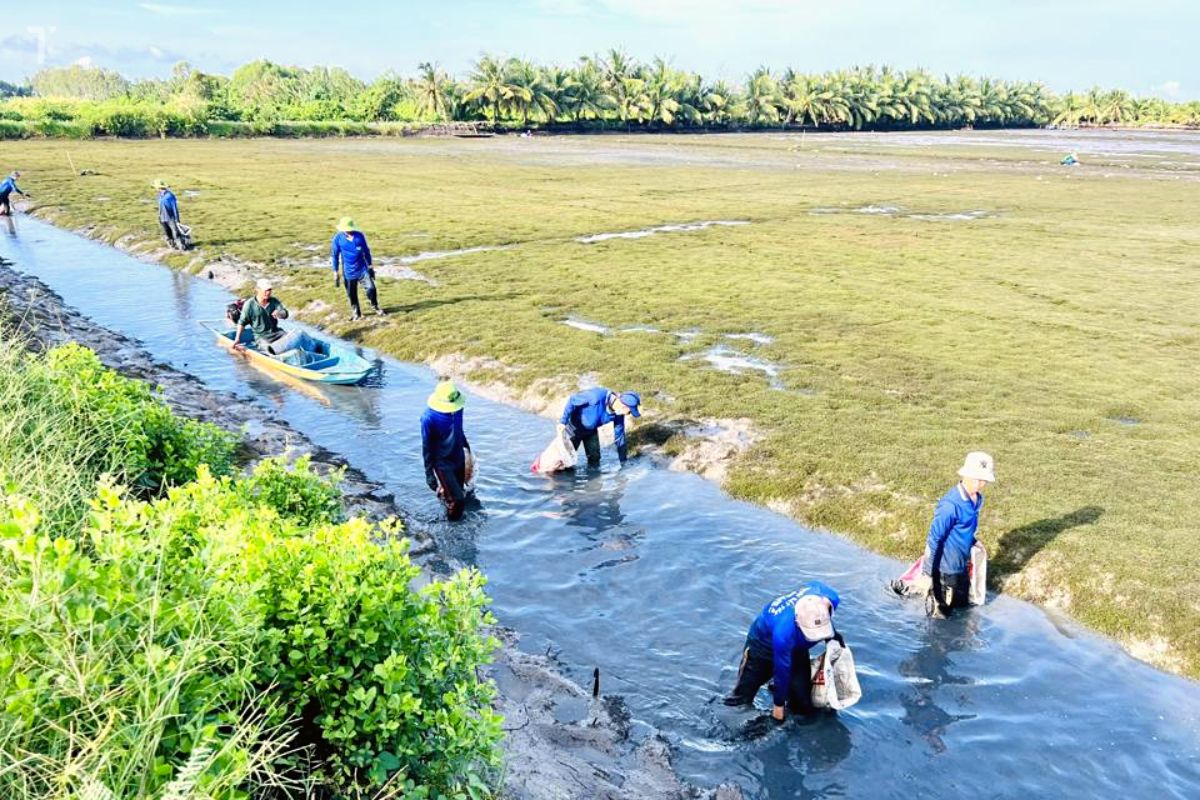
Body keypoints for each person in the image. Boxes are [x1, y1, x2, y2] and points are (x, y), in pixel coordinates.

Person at [724, 581, 845, 721]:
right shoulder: (783, 632)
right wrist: (778, 708)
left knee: (803, 705)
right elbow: (782, 671)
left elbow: (819, 607)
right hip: (762, 646)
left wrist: (833, 638)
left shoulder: (830, 598)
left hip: (798, 648)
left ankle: (781, 691)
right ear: (798, 623)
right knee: (740, 700)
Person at [920, 451, 995, 614]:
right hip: (944, 571)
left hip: (960, 566)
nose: (980, 483)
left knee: (963, 608)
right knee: (941, 616)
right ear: (965, 475)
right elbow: (934, 538)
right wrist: (928, 574)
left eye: (984, 480)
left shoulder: (977, 499)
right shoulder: (950, 505)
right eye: (976, 478)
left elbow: (964, 526)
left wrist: (974, 541)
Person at [422, 380, 473, 521]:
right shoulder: (428, 418)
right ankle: (452, 527)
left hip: (458, 458)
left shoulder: (458, 410)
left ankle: (445, 494)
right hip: (443, 464)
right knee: (459, 500)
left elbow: (459, 430)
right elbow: (427, 447)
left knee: (460, 491)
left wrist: (467, 448)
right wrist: (429, 474)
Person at [557, 388, 641, 468]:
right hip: (573, 428)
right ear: (624, 406)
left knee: (595, 459)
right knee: (565, 461)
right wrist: (563, 422)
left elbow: (620, 438)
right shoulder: (595, 396)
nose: (628, 414)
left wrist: (623, 462)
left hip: (591, 431)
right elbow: (572, 400)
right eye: (629, 412)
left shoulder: (618, 414)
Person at [232, 278, 313, 355]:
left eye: (270, 290)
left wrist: (280, 314)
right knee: (270, 351)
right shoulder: (249, 304)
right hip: (262, 337)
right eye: (266, 290)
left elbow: (285, 314)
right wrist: (237, 339)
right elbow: (242, 322)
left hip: (277, 333)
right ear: (258, 290)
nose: (268, 292)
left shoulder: (274, 301)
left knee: (295, 338)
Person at [331, 216, 383, 320]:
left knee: (371, 288)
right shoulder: (338, 238)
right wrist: (335, 271)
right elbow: (335, 255)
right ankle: (356, 313)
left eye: (350, 229)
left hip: (362, 269)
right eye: (346, 229)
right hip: (348, 271)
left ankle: (374, 305)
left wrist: (370, 266)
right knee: (352, 294)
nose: (349, 231)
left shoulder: (359, 236)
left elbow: (366, 251)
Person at [153, 180, 188, 250]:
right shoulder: (159, 196)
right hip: (163, 218)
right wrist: (159, 216)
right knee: (167, 233)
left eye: (157, 188)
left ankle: (182, 247)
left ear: (160, 188)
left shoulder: (170, 196)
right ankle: (172, 246)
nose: (156, 189)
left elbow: (175, 208)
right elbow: (160, 207)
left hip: (170, 218)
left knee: (176, 233)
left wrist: (177, 219)